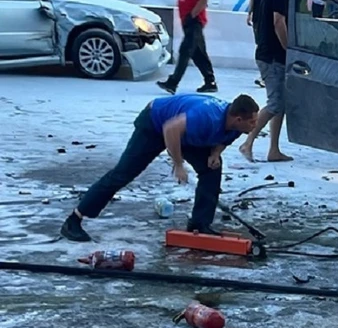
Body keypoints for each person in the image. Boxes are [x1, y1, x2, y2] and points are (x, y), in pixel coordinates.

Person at [59, 94, 260, 242]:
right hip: (156, 124)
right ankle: (74, 220)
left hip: (187, 135)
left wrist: (215, 154)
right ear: (238, 119)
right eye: (252, 121)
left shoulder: (237, 126)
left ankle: (200, 223)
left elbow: (222, 139)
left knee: (212, 169)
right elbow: (170, 129)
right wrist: (178, 164)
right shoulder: (206, 116)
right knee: (123, 174)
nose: (255, 126)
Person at [239, 0, 299, 163]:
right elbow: (278, 22)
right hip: (272, 56)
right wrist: (289, 48)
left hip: (270, 55)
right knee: (274, 103)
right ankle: (247, 143)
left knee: (280, 104)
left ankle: (273, 150)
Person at [158, 0, 218, 95]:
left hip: (194, 20)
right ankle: (210, 81)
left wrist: (192, 16)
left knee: (185, 51)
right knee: (198, 53)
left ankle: (173, 82)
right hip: (187, 19)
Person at [246, 0, 275, 88]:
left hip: (269, 19)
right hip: (258, 18)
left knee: (267, 47)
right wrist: (249, 13)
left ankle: (267, 77)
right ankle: (265, 75)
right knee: (260, 46)